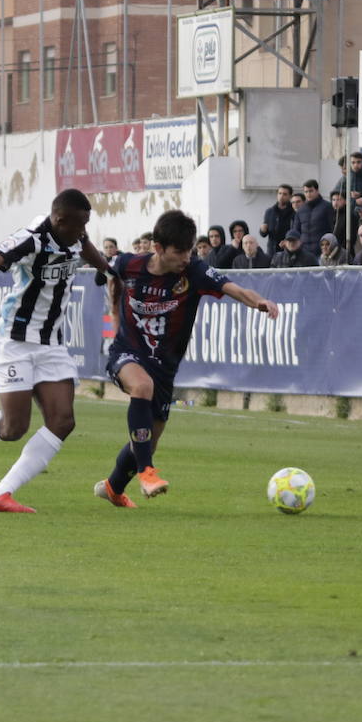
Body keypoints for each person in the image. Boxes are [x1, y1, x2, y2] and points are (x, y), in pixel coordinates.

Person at [0, 188, 112, 513]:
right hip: (13, 342)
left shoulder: (75, 234)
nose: (84, 231)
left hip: (51, 343)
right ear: (59, 221)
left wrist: (108, 268)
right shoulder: (31, 238)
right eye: (79, 225)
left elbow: (86, 247)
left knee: (63, 421)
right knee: (12, 429)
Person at [93, 209, 279, 506]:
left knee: (147, 440)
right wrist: (115, 314)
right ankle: (147, 472)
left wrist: (260, 302)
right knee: (141, 388)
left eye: (189, 250)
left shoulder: (194, 271)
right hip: (126, 353)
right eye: (179, 252)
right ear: (158, 248)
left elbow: (234, 288)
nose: (186, 257)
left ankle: (113, 488)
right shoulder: (129, 264)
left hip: (164, 369)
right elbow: (108, 271)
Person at [294, 179, 335, 256]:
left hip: (322, 250)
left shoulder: (327, 206)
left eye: (311, 191)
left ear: (317, 191)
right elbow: (296, 230)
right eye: (306, 192)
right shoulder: (301, 209)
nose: (308, 194)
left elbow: (332, 228)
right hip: (304, 250)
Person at [259, 184, 295, 258]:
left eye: (285, 194)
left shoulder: (294, 212)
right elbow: (264, 234)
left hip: (288, 250)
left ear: (290, 196)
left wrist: (288, 241)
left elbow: (296, 232)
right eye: (279, 193)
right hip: (272, 251)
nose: (281, 196)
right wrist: (263, 230)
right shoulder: (270, 211)